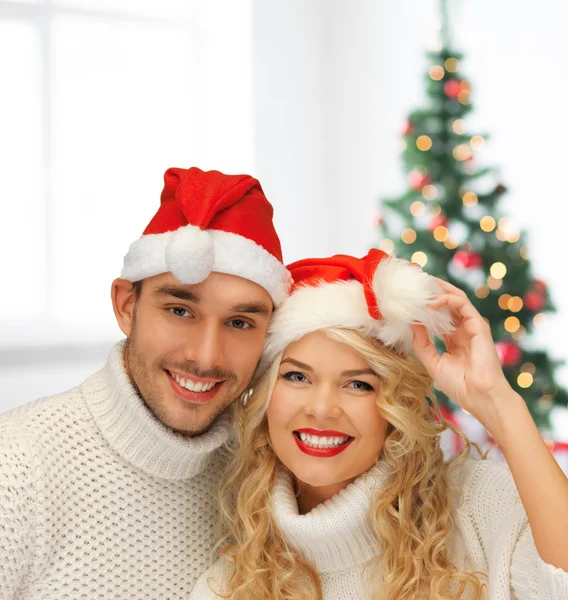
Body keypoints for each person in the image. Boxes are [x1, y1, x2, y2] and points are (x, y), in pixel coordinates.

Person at [191, 249, 568, 600]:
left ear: (395, 403)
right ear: (265, 395)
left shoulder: (478, 506)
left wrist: (498, 403)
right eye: (297, 377)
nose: (322, 410)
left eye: (358, 384)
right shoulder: (227, 587)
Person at [0, 167, 291, 599]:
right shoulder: (17, 468)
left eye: (239, 322)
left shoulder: (263, 475)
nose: (206, 356)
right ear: (125, 305)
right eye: (179, 310)